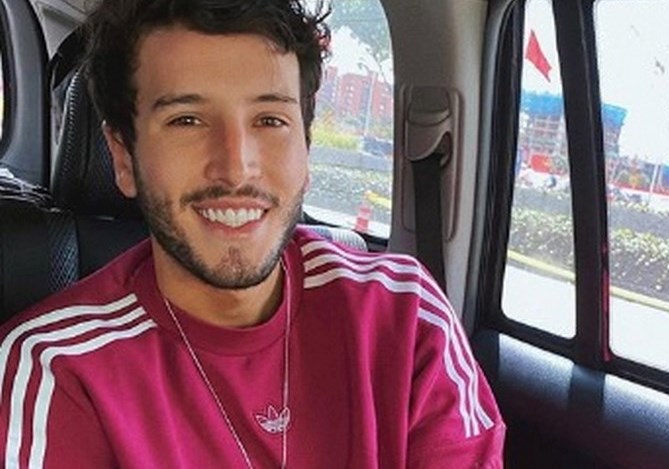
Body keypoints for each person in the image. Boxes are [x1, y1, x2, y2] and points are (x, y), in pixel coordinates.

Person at [0, 0, 505, 467]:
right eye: (187, 120)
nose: (236, 167)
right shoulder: (56, 368)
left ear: (306, 148)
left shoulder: (404, 315)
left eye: (269, 119)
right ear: (124, 156)